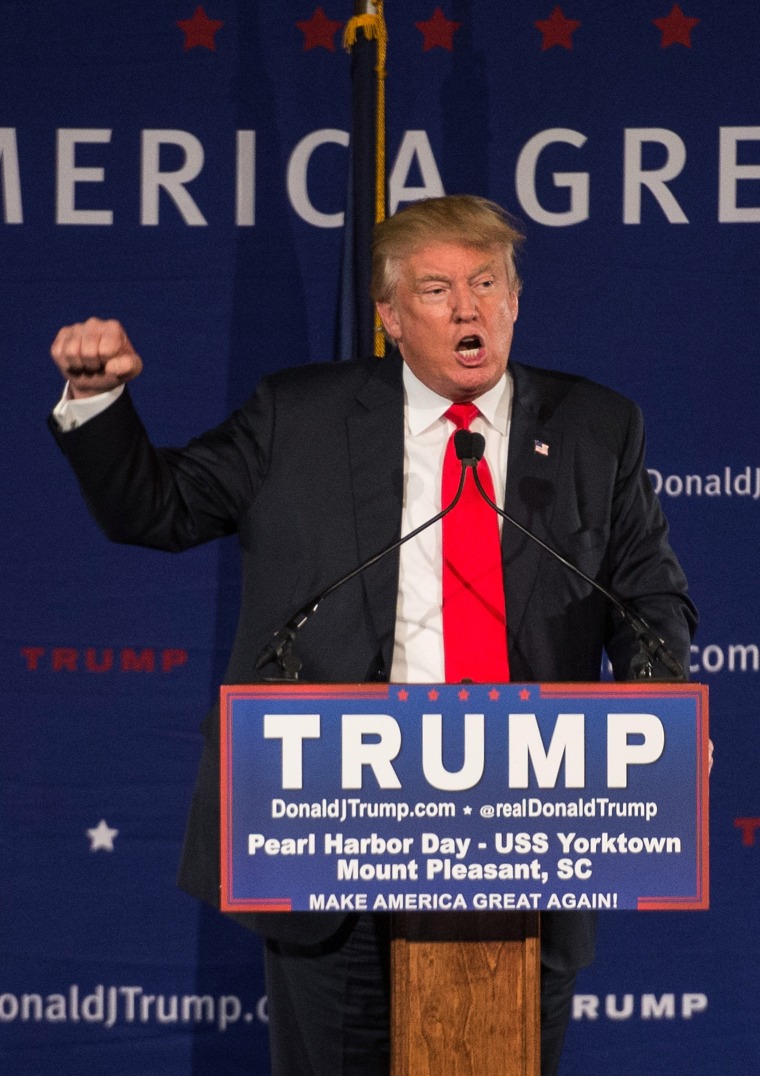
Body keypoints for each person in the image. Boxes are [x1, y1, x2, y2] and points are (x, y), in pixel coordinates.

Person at [49, 195, 697, 1075]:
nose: (468, 307)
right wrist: (98, 402)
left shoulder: (595, 426)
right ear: (390, 317)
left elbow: (649, 599)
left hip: (528, 819)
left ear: (514, 300)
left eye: (486, 282)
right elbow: (155, 509)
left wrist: (660, 712)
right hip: (338, 820)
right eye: (437, 289)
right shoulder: (298, 416)